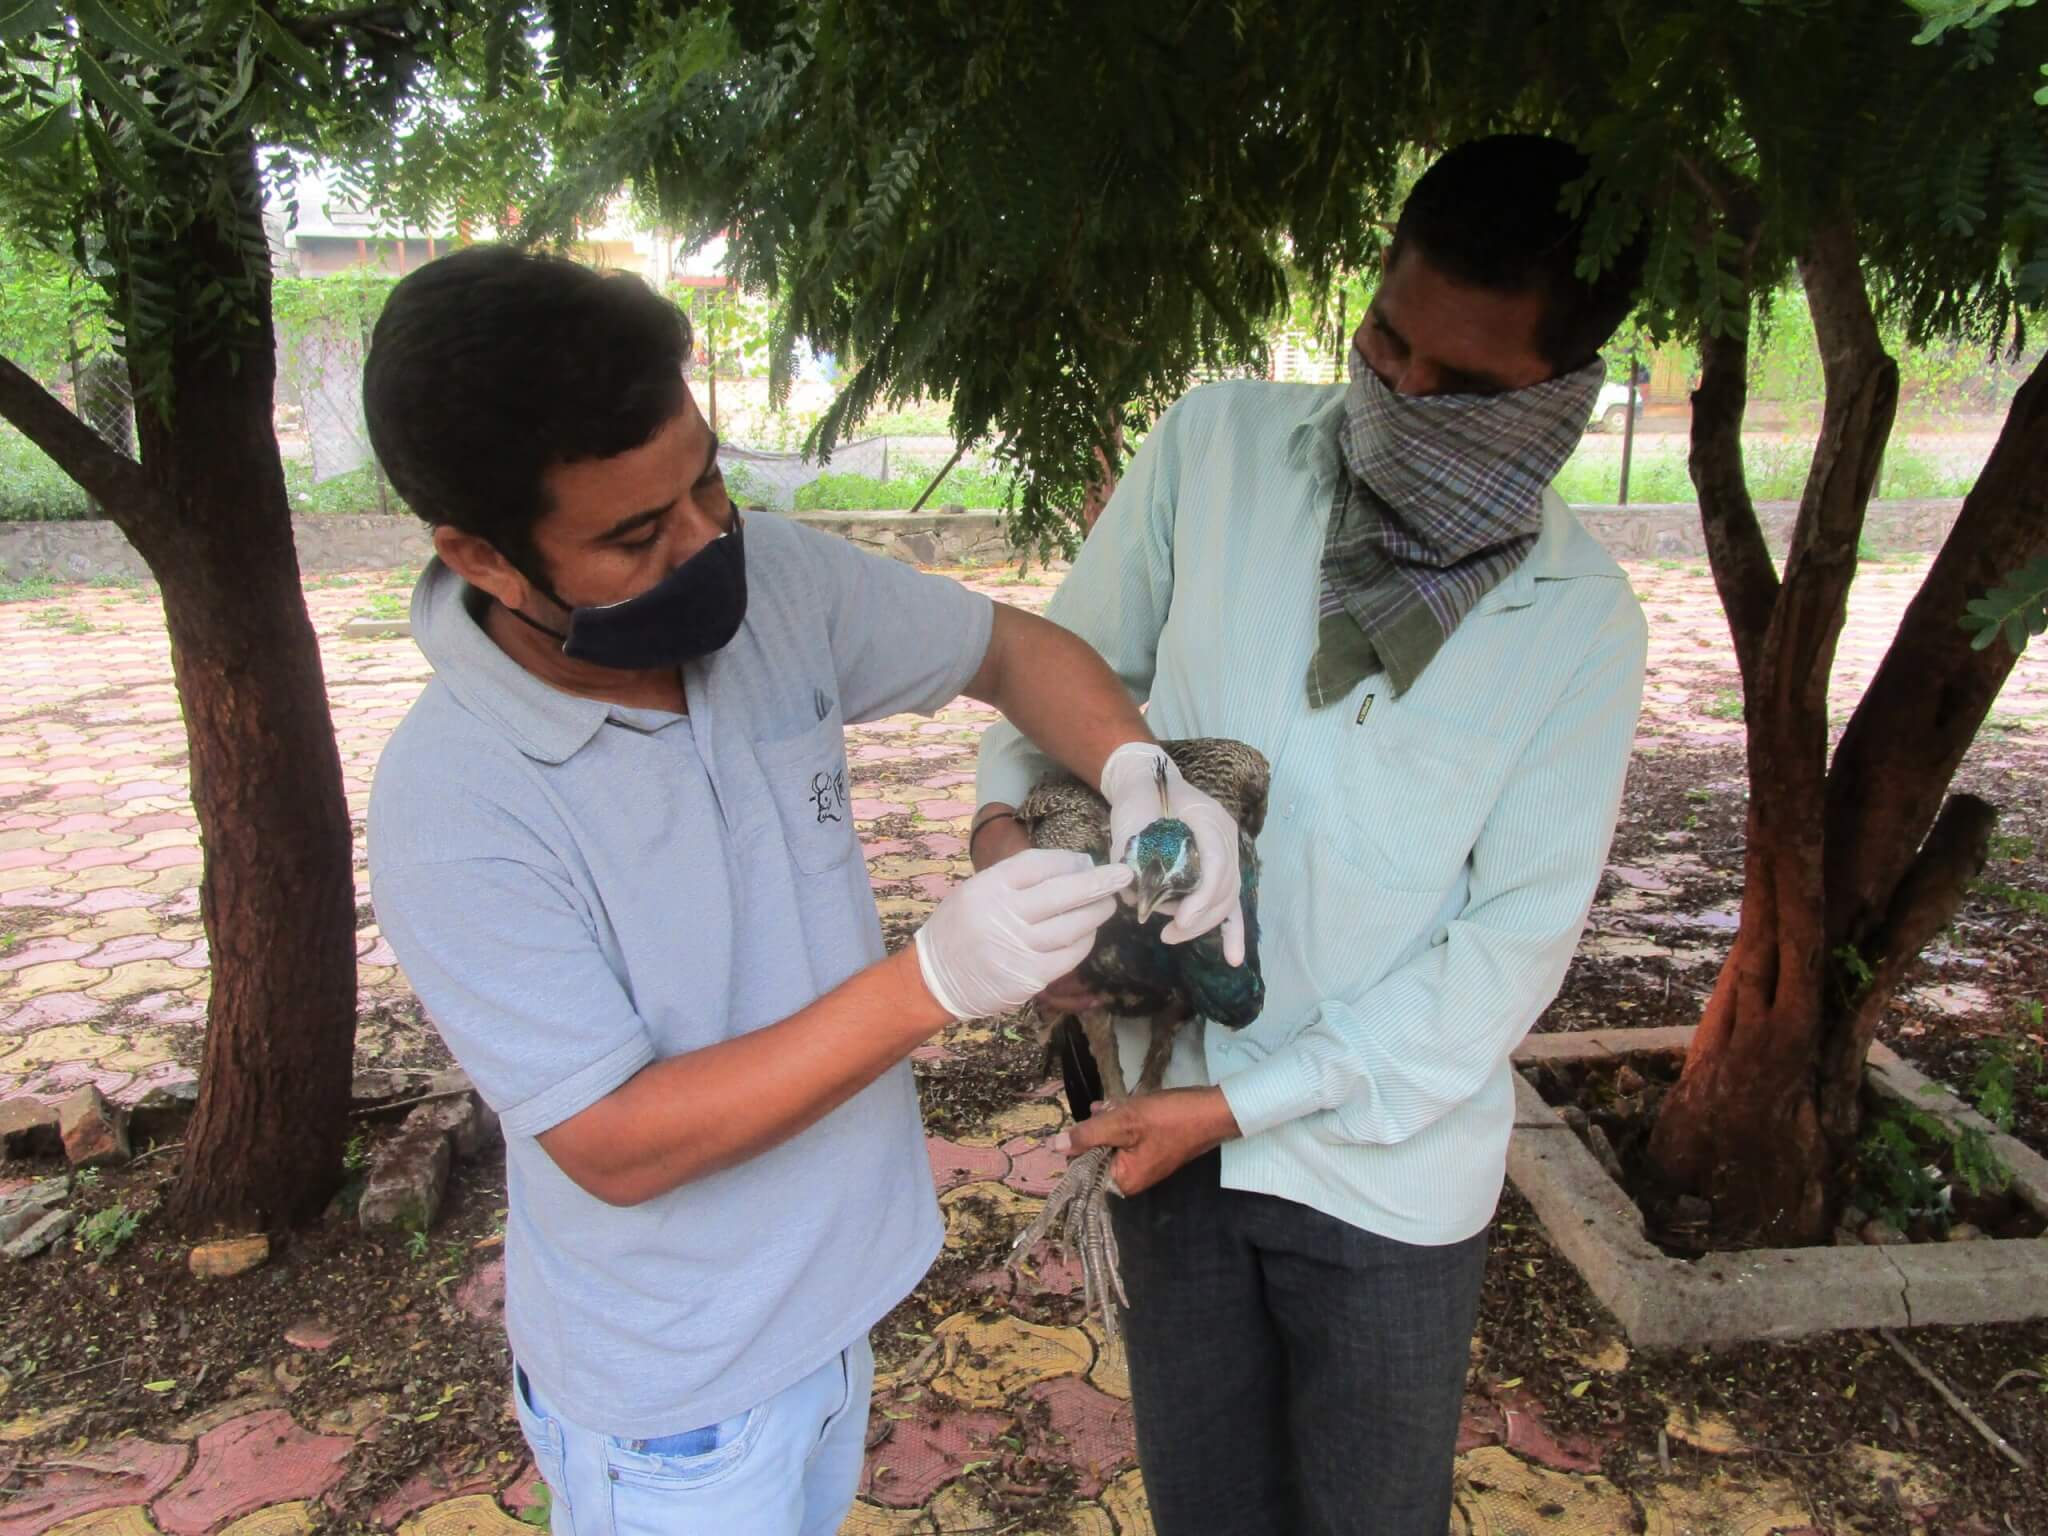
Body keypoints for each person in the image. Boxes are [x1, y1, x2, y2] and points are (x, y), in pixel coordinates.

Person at [360, 245, 1244, 1536]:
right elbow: (615, 1142)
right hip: (678, 1399)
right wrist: (931, 982)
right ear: (485, 560)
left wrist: (1140, 772)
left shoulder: (774, 588)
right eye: (633, 534)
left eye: (706, 480)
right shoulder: (459, 802)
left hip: (835, 1311)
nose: (707, 539)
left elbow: (1008, 648)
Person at [972, 134, 1651, 1536]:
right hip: (1164, 1096)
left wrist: (1241, 1108)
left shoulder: (1582, 625)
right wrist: (1005, 853)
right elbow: (1053, 674)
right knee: (1207, 1507)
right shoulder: (1217, 447)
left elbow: (1506, 952)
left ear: (1563, 397)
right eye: (1384, 343)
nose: (1399, 392)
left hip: (1383, 1168)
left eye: (1460, 387)